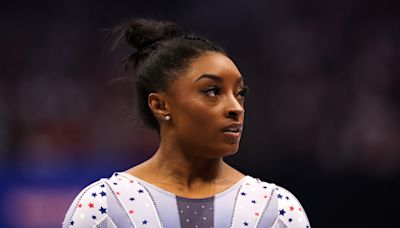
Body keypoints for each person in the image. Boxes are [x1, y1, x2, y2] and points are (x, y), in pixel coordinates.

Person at [62, 18, 310, 228]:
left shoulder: (276, 211)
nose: (236, 107)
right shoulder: (104, 207)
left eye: (240, 93)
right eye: (212, 91)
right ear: (160, 105)